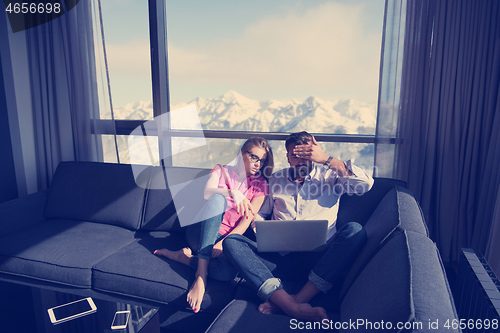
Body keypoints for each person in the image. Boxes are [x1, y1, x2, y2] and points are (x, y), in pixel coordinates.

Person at [222, 131, 374, 322]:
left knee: (355, 231)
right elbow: (260, 213)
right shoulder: (276, 179)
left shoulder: (330, 176)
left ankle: (294, 302)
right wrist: (263, 231)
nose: (301, 160)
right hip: (278, 259)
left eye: (307, 155)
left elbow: (365, 184)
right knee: (232, 242)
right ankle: (291, 305)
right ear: (287, 157)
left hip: (319, 262)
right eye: (295, 155)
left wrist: (326, 159)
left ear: (314, 153)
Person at [154, 137, 274, 313]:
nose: (258, 164)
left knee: (228, 273)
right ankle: (201, 275)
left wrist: (224, 243)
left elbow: (247, 220)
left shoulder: (261, 185)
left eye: (262, 161)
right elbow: (208, 193)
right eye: (254, 157)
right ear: (242, 153)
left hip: (226, 238)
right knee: (218, 199)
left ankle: (185, 259)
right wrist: (232, 192)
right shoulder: (222, 170)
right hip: (200, 232)